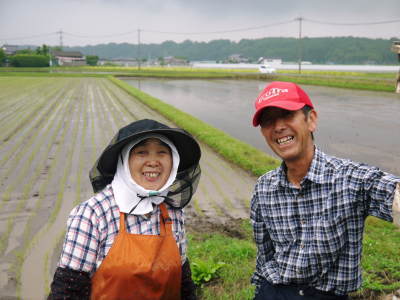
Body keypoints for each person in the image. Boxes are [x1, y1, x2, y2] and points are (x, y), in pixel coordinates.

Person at [250, 81, 400, 300]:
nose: (278, 126)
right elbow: (264, 255)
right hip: (274, 290)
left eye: (287, 114)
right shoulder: (264, 188)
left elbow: (390, 194)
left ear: (311, 120)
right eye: (268, 120)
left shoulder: (351, 179)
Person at [48, 119, 202, 300]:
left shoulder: (173, 213)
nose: (153, 161)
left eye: (162, 152)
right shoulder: (93, 215)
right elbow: (67, 292)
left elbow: (183, 283)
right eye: (141, 152)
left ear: (173, 161)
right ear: (124, 161)